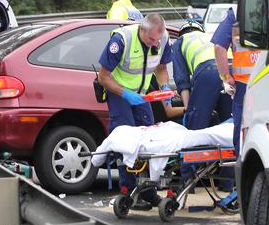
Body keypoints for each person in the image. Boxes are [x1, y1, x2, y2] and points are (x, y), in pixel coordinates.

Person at [97, 13, 172, 209]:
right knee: (125, 141)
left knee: (148, 140)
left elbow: (162, 68)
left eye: (157, 39)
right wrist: (126, 94)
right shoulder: (122, 40)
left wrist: (164, 86)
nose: (154, 43)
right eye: (150, 39)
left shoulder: (161, 40)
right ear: (142, 30)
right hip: (119, 94)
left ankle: (147, 191)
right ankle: (128, 190)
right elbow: (103, 77)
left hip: (142, 95)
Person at [212, 0, 269, 155]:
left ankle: (242, 180)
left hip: (245, 85)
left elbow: (219, 47)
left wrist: (226, 77)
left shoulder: (236, 11)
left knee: (243, 132)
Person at [172, 21, 232, 130]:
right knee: (230, 122)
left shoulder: (180, 42)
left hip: (209, 71)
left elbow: (182, 80)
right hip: (231, 70)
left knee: (195, 124)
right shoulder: (211, 36)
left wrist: (188, 108)